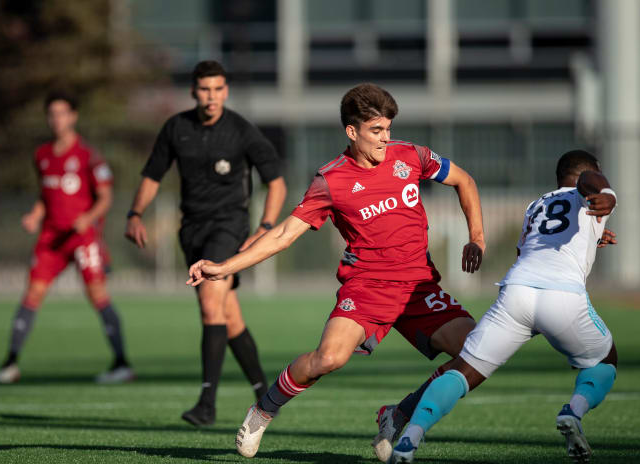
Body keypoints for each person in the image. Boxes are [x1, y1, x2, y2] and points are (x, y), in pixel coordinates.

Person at [186, 82, 486, 458]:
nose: (385, 139)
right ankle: (263, 410)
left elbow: (464, 181)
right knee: (328, 359)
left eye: (388, 129)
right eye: (376, 131)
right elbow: (282, 234)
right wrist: (222, 268)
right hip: (367, 288)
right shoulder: (331, 180)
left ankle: (398, 414)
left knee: (478, 354)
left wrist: (476, 237)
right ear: (352, 131)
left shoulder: (410, 155)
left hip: (418, 287)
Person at [388, 149, 619, 464]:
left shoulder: (536, 205)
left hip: (516, 292)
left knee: (465, 370)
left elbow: (534, 247)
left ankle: (409, 438)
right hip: (563, 296)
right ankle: (573, 412)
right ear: (587, 174)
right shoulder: (591, 191)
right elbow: (590, 182)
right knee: (604, 360)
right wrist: (606, 193)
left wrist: (592, 236)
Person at [125, 60, 286, 426]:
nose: (211, 97)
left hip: (229, 227)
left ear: (225, 91)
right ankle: (264, 392)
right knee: (229, 316)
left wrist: (264, 225)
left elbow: (275, 181)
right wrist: (134, 214)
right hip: (191, 231)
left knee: (210, 304)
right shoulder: (176, 128)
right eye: (204, 89)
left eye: (217, 89)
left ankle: (206, 404)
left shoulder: (241, 131)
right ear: (194, 92)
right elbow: (152, 175)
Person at [0, 91, 133, 385]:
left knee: (97, 295)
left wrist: (89, 217)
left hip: (83, 238)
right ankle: (10, 362)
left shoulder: (88, 155)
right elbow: (46, 194)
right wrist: (35, 214)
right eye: (52, 114)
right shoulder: (42, 155)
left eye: (62, 113)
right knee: (32, 294)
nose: (57, 119)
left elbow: (105, 197)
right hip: (51, 239)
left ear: (73, 116)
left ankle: (121, 364)